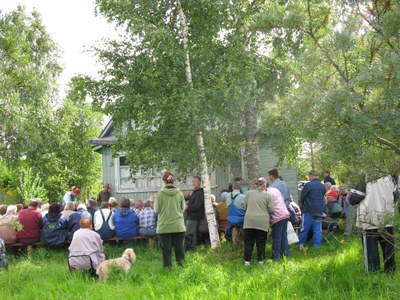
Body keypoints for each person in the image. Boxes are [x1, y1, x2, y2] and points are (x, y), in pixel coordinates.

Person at [356, 175, 398, 273]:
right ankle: (390, 270)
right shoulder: (390, 175)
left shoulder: (364, 176)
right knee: (388, 247)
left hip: (369, 219)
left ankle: (373, 272)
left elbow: (355, 197)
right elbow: (396, 196)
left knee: (370, 249)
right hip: (387, 218)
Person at [154, 172, 186, 269]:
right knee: (180, 250)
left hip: (164, 227)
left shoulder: (159, 194)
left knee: (166, 252)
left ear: (163, 181)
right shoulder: (180, 193)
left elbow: (156, 210)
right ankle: (182, 270)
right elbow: (183, 208)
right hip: (178, 226)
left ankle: (168, 271)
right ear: (173, 180)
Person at [243, 178, 275, 266]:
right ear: (264, 185)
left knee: (248, 242)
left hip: (249, 221)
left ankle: (247, 262)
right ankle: (260, 261)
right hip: (262, 222)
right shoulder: (268, 195)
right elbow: (272, 210)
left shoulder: (249, 193)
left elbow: (244, 206)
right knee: (261, 242)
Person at [298, 170, 326, 247]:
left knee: (305, 228)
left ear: (310, 176)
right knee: (317, 229)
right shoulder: (322, 185)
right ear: (317, 176)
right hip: (319, 210)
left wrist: (302, 204)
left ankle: (301, 243)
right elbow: (322, 196)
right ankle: (317, 245)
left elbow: (303, 197)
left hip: (309, 210)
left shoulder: (308, 185)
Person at [268, 186, 290, 260]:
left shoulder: (268, 193)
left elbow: (269, 207)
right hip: (285, 214)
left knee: (277, 237)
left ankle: (276, 257)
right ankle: (286, 255)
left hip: (277, 216)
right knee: (284, 236)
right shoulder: (275, 190)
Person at [185, 176, 205, 252]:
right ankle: (191, 251)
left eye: (195, 181)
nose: (193, 183)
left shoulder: (200, 193)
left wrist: (187, 207)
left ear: (200, 182)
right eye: (192, 181)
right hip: (191, 216)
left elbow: (197, 206)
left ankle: (191, 251)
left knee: (189, 234)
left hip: (194, 217)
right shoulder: (194, 192)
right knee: (191, 234)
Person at [226, 177, 246, 244]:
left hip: (231, 221)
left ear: (232, 187)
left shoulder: (227, 196)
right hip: (241, 221)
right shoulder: (243, 197)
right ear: (240, 187)